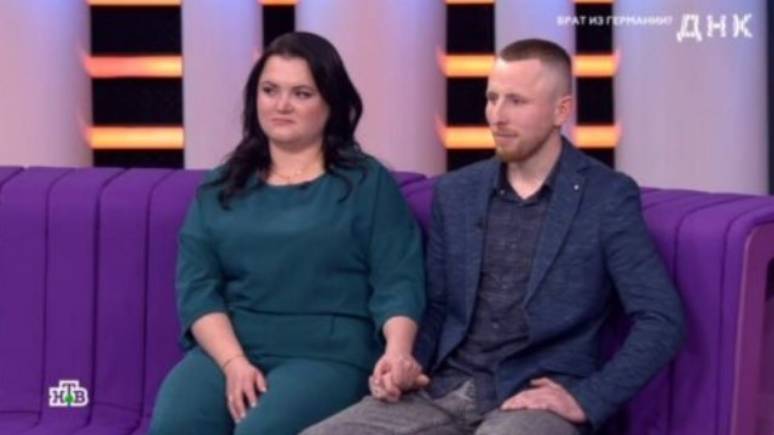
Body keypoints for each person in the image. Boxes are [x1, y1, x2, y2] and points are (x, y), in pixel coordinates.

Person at [304, 38, 684, 435]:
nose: (497, 116)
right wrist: (408, 363)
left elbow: (662, 318)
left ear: (561, 110)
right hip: (441, 390)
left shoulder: (605, 196)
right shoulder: (457, 192)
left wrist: (588, 398)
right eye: (492, 98)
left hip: (532, 399)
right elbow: (438, 306)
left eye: (516, 101)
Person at [149, 32, 426, 435]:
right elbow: (198, 289)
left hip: (329, 354)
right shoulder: (221, 187)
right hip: (231, 348)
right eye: (270, 90)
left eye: (301, 94)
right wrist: (234, 363)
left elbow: (398, 280)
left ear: (331, 103)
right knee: (175, 426)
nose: (281, 105)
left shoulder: (367, 183)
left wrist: (398, 352)